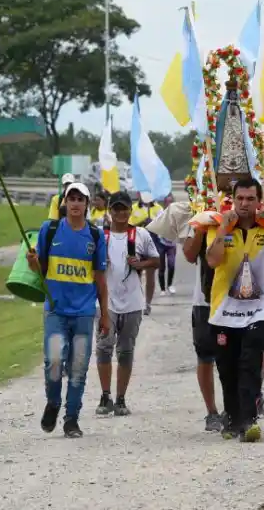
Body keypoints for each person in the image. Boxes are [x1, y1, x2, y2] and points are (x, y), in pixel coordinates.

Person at [206, 178, 264, 442]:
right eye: (240, 198)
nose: (244, 203)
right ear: (232, 198)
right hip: (224, 312)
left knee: (250, 361)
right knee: (227, 367)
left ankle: (250, 419)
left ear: (259, 201)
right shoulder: (220, 225)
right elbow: (213, 260)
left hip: (260, 310)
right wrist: (222, 230)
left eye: (250, 199)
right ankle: (231, 416)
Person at [27, 182, 108, 439]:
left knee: (78, 367)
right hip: (56, 310)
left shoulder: (95, 237)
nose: (75, 204)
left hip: (84, 313)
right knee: (53, 363)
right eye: (70, 198)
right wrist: (33, 263)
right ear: (64, 202)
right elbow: (39, 270)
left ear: (87, 204)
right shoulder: (49, 230)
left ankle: (71, 418)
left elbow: (100, 279)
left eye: (80, 199)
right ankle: (53, 403)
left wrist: (104, 313)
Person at [95, 191, 160, 417]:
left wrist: (140, 263)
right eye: (116, 208)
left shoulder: (140, 234)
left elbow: (156, 260)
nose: (120, 213)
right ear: (110, 211)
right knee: (104, 347)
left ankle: (121, 398)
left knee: (126, 350)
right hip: (106, 302)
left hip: (133, 301)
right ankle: (105, 395)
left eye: (124, 209)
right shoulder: (100, 236)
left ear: (130, 211)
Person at [183, 209, 226, 433]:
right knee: (205, 357)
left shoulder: (245, 210)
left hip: (235, 300)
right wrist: (200, 229)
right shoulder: (201, 216)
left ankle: (236, 406)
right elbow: (189, 255)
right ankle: (212, 412)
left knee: (237, 357)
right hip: (205, 302)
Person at [130, 192, 165, 314]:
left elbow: (163, 226)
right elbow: (129, 225)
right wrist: (141, 222)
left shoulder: (158, 208)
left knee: (150, 277)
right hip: (136, 245)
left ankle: (148, 303)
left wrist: (152, 223)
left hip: (152, 244)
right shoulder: (133, 208)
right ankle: (137, 301)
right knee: (136, 276)